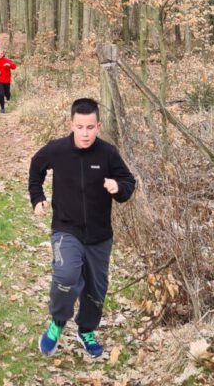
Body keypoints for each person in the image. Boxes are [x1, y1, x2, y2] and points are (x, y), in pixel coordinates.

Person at [28, 97, 136, 359]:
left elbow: (128, 182)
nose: (85, 133)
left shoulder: (108, 153)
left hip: (100, 236)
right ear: (71, 125)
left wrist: (118, 188)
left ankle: (86, 330)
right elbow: (36, 167)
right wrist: (37, 197)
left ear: (98, 126)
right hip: (66, 229)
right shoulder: (57, 150)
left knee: (96, 290)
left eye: (90, 127)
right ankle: (57, 322)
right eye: (79, 127)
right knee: (66, 276)